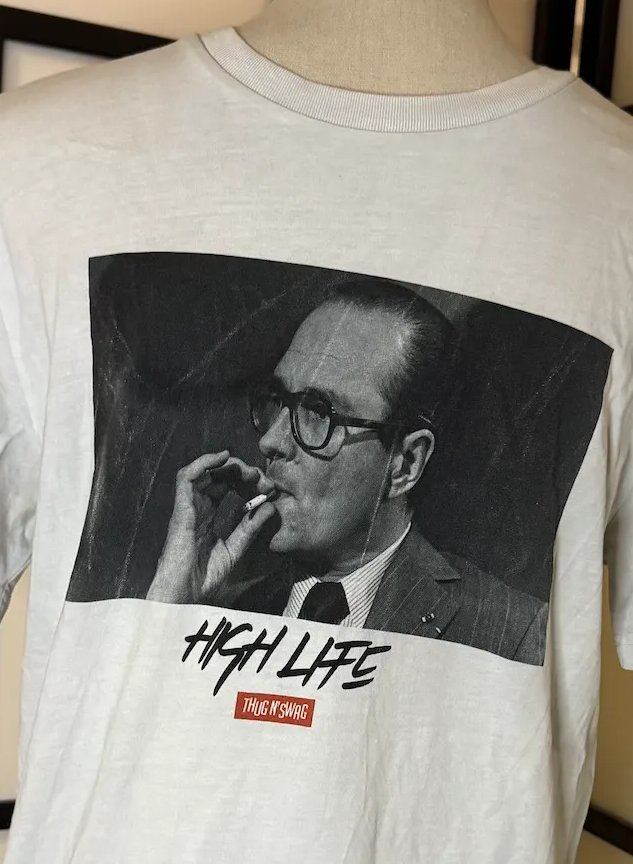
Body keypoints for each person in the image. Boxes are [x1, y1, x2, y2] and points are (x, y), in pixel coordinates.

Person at [145, 277, 547, 665]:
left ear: (405, 464)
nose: (270, 440)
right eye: (278, 399)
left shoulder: (513, 635)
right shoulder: (211, 614)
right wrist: (169, 604)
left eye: (319, 412)